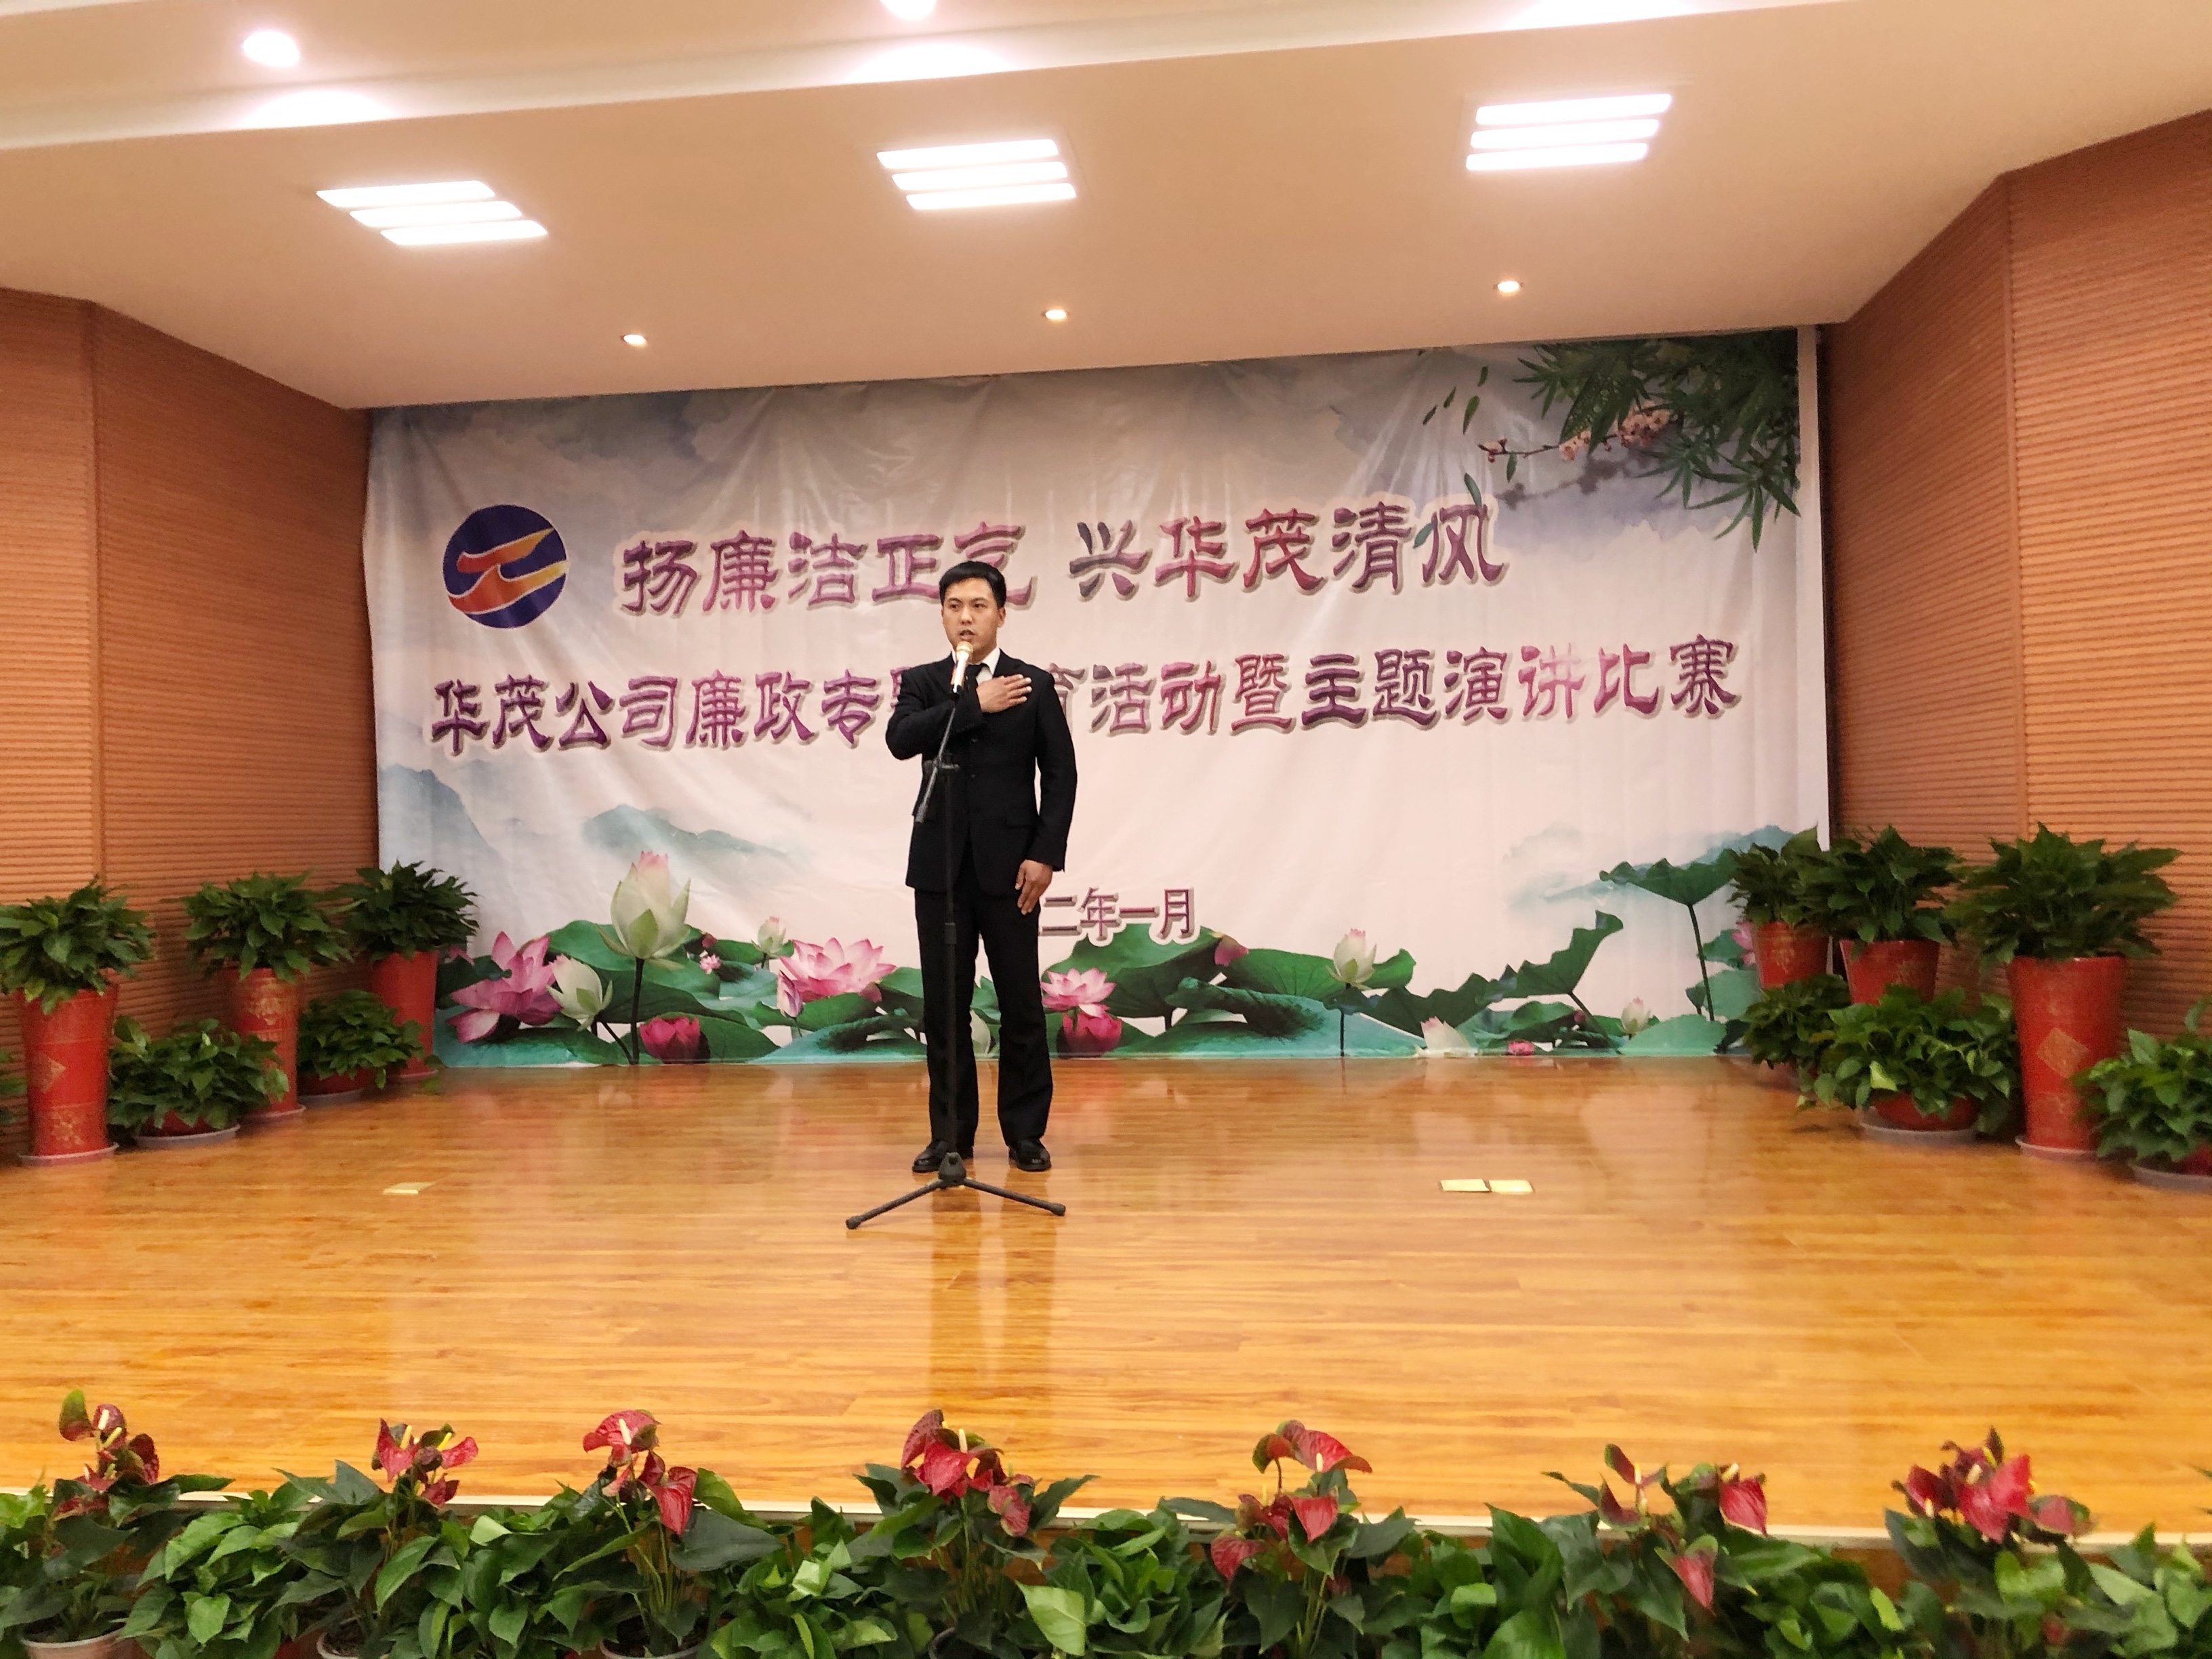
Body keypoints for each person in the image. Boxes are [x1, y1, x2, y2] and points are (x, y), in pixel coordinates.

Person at [885, 560, 1078, 1174]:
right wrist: (973, 703)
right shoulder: (924, 682)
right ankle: (950, 1137)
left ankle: (1025, 1134)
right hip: (939, 871)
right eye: (953, 607)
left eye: (977, 606)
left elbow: (1061, 776)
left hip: (1013, 871)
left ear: (1001, 613)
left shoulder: (1032, 684)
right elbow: (900, 739)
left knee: (1020, 1003)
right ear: (942, 615)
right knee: (945, 1009)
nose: (965, 618)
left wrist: (1045, 855)